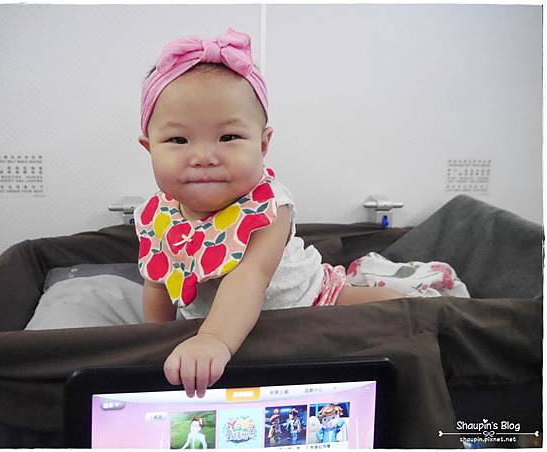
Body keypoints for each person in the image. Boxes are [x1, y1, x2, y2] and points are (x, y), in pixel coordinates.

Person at [134, 28, 404, 398]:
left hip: (311, 299)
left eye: (228, 137)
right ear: (149, 147)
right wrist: (155, 342)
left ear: (262, 144)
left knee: (399, 309)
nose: (204, 157)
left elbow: (249, 276)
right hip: (218, 321)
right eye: (178, 140)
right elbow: (157, 282)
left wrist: (213, 339)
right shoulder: (156, 215)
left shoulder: (268, 207)